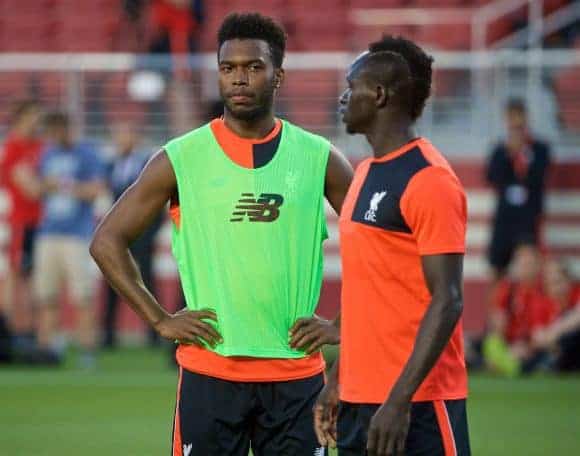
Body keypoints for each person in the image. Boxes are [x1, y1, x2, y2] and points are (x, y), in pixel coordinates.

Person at [90, 12, 351, 455]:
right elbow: (106, 241)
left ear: (279, 76)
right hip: (209, 374)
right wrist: (159, 319)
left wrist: (345, 324)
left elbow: (383, 247)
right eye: (228, 68)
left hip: (295, 380)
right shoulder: (181, 158)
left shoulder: (319, 157)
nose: (239, 79)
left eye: (253, 67)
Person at [314, 36, 471, 455]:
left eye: (352, 88)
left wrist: (399, 400)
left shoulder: (430, 180)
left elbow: (448, 299)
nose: (343, 98)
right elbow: (371, 292)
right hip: (359, 400)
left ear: (379, 94)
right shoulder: (364, 172)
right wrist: (338, 378)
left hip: (415, 404)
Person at [34, 112, 105, 367]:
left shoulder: (86, 154)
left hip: (77, 234)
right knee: (46, 295)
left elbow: (96, 189)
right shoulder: (47, 154)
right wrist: (43, 185)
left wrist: (64, 185)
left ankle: (87, 351)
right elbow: (36, 188)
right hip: (49, 232)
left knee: (82, 296)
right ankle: (46, 352)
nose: (54, 137)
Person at [102, 122, 163, 349]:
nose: (121, 141)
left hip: (143, 235)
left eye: (125, 135)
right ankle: (108, 334)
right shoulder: (111, 165)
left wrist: (150, 235)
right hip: (119, 236)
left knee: (147, 282)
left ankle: (154, 334)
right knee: (113, 282)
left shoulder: (148, 163)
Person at [486, 98, 551, 280]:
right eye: (511, 118)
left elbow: (539, 176)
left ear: (526, 118)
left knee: (528, 266)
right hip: (504, 217)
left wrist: (523, 153)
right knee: (497, 267)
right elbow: (492, 177)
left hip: (528, 217)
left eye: (518, 117)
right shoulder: (500, 150)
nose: (515, 123)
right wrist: (509, 154)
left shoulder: (539, 149)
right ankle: (496, 307)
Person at [0, 100, 43, 344]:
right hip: (21, 221)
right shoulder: (13, 147)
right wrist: (50, 183)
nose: (36, 123)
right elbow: (30, 189)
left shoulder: (39, 146)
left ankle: (27, 330)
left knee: (31, 277)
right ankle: (9, 328)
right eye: (32, 117)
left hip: (40, 222)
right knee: (16, 274)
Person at [484, 241, 550, 375]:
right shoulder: (508, 289)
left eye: (528, 263)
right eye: (521, 262)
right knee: (486, 344)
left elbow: (543, 330)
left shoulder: (545, 290)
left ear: (538, 265)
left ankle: (506, 365)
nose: (524, 267)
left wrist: (527, 346)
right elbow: (497, 320)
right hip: (509, 343)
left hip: (533, 346)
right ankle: (503, 362)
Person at [532, 259, 580, 371]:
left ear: (568, 280)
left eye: (558, 281)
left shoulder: (577, 293)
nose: (555, 287)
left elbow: (577, 317)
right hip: (555, 348)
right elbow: (537, 336)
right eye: (550, 283)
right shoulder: (542, 303)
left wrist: (554, 333)